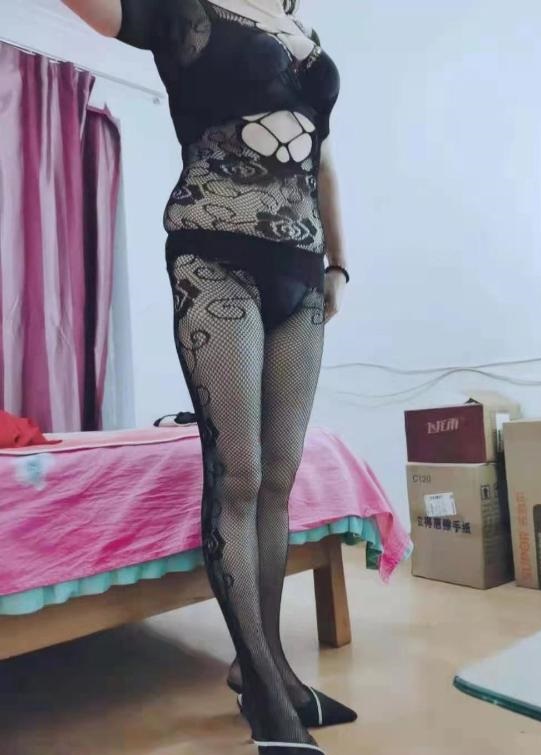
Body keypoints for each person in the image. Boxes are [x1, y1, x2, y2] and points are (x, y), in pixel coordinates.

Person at [61, 1, 352, 753]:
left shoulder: (302, 28)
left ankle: (267, 667)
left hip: (301, 269)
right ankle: (266, 694)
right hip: (214, 254)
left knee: (280, 478)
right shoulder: (184, 10)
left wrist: (339, 263)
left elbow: (320, 155)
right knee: (239, 475)